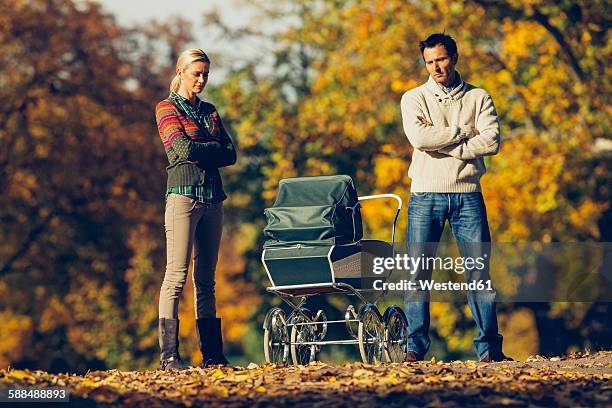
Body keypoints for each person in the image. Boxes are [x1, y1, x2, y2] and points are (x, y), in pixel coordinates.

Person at [400, 33, 510, 362]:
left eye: (442, 59)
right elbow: (420, 137)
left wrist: (443, 141)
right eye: (430, 62)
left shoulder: (479, 97)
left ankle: (489, 350)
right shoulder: (413, 98)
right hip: (425, 194)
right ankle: (414, 349)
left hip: (468, 196)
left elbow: (491, 142)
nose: (436, 67)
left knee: (479, 271)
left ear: (454, 57)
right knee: (418, 272)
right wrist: (464, 133)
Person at [155, 48, 236, 370]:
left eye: (205, 74)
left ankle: (213, 356)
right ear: (181, 72)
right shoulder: (165, 108)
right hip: (183, 197)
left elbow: (230, 154)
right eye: (196, 73)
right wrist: (210, 147)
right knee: (175, 276)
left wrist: (202, 149)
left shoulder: (210, 111)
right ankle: (170, 356)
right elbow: (180, 147)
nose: (201, 80)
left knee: (206, 279)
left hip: (213, 198)